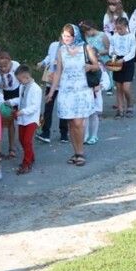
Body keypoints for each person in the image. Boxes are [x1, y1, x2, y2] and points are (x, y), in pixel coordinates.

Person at [45, 24, 98, 167]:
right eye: (64, 36)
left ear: (75, 36)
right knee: (71, 123)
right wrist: (51, 92)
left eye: (68, 36)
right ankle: (75, 152)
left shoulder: (86, 48)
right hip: (66, 91)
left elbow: (96, 65)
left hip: (82, 91)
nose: (66, 39)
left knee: (78, 123)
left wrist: (90, 67)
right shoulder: (61, 50)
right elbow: (58, 72)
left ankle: (80, 153)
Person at [35, 37, 68, 144]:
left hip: (64, 82)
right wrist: (43, 63)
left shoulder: (70, 49)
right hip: (51, 80)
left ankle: (64, 134)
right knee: (48, 107)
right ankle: (46, 133)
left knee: (63, 108)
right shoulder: (53, 45)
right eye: (62, 38)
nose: (64, 40)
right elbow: (49, 57)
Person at [13, 65, 42, 174]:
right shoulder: (22, 86)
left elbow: (35, 106)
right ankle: (31, 157)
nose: (19, 82)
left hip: (31, 119)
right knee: (21, 139)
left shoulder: (36, 89)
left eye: (20, 80)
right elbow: (21, 99)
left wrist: (22, 112)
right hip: (22, 119)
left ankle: (27, 163)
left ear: (26, 77)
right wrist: (10, 102)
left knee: (27, 141)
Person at [0, 52, 20, 161]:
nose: (3, 69)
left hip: (16, 92)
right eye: (1, 67)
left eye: (6, 66)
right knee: (1, 121)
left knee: (11, 122)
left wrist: (13, 102)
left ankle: (12, 148)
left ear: (10, 62)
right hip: (3, 94)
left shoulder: (16, 66)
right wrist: (2, 104)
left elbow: (22, 80)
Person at [108, 17, 136, 118]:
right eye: (117, 28)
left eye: (121, 28)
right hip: (117, 60)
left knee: (126, 88)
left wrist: (124, 59)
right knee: (119, 87)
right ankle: (120, 109)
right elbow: (111, 48)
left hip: (127, 62)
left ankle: (130, 104)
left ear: (126, 26)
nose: (119, 31)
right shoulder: (114, 37)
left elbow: (132, 52)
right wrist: (112, 54)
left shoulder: (131, 37)